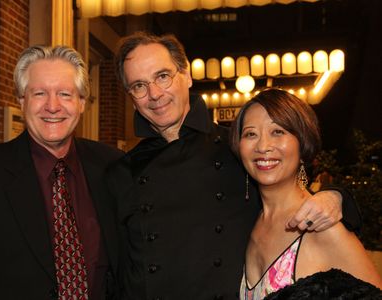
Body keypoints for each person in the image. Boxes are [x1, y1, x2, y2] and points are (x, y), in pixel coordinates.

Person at [106, 31, 360, 299]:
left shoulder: (239, 148)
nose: (154, 94)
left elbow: (291, 192)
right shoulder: (120, 172)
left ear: (187, 75)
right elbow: (115, 267)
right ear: (130, 96)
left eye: (162, 76)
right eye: (139, 86)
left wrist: (336, 197)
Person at [0, 45, 123, 300]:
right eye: (40, 93)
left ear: (81, 103)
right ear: (22, 101)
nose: (52, 106)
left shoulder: (113, 166)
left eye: (65, 94)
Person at [229, 89, 381, 299]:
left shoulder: (322, 227)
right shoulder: (247, 221)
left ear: (303, 143)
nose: (263, 146)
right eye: (250, 134)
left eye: (278, 132)